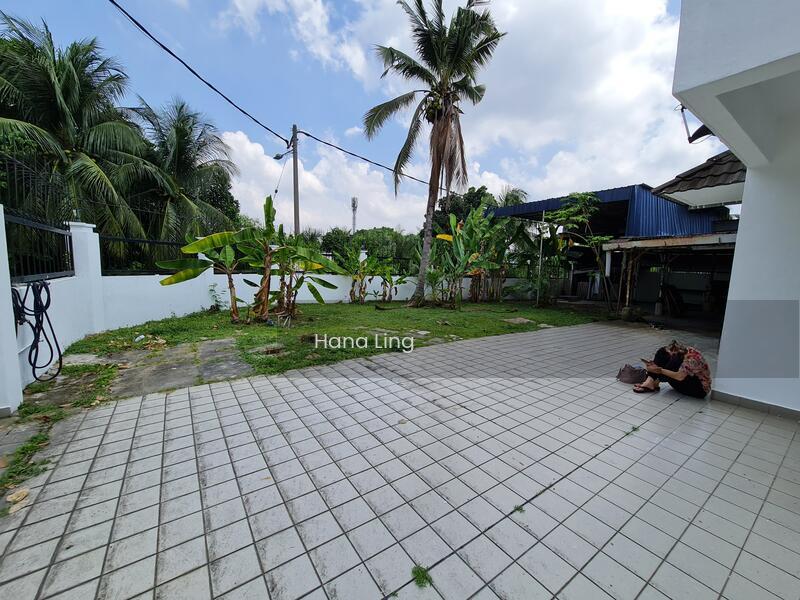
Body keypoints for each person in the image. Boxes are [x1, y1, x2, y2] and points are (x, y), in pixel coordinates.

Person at [634, 340, 711, 399]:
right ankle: (651, 382)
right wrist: (654, 366)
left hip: (699, 389)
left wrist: (659, 370)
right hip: (687, 379)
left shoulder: (691, 358)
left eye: (673, 354)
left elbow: (679, 377)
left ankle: (652, 382)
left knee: (674, 361)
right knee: (662, 351)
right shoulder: (685, 351)